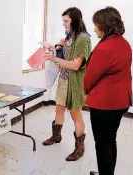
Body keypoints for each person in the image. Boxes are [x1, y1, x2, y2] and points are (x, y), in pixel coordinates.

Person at [84, 7, 133, 175]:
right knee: (110, 139)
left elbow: (90, 77)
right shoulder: (124, 44)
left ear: (104, 25)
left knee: (102, 143)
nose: (94, 28)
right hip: (121, 101)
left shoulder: (104, 48)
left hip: (104, 104)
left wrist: (85, 90)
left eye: (96, 24)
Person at [42, 7, 91, 161]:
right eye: (63, 21)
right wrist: (58, 49)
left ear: (76, 20)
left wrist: (55, 59)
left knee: (75, 114)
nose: (64, 24)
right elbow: (66, 58)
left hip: (75, 83)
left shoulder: (83, 38)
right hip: (64, 79)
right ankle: (56, 136)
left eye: (66, 21)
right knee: (59, 110)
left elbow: (76, 65)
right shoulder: (69, 35)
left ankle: (79, 148)